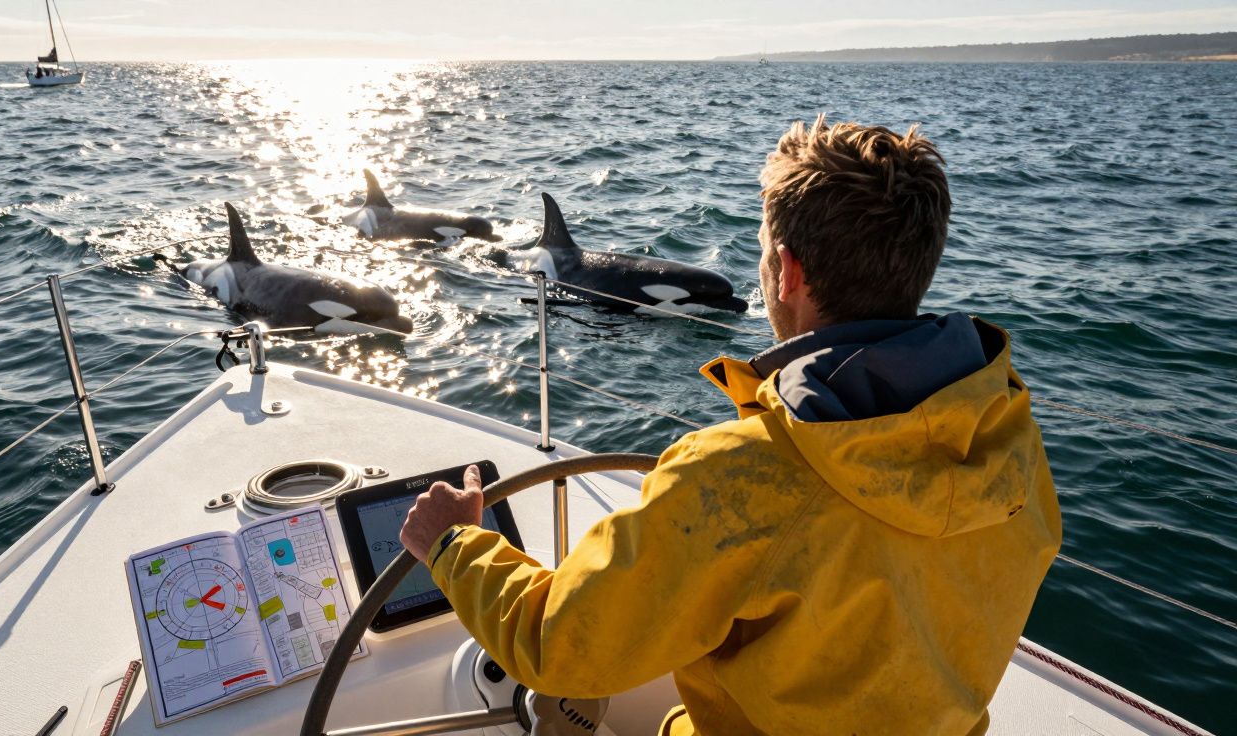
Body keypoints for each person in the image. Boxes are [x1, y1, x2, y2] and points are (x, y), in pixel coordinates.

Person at [400, 115, 1062, 735]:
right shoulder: (1008, 438)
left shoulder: (735, 477)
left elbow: (560, 647)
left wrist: (455, 543)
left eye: (763, 255)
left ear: (789, 272)